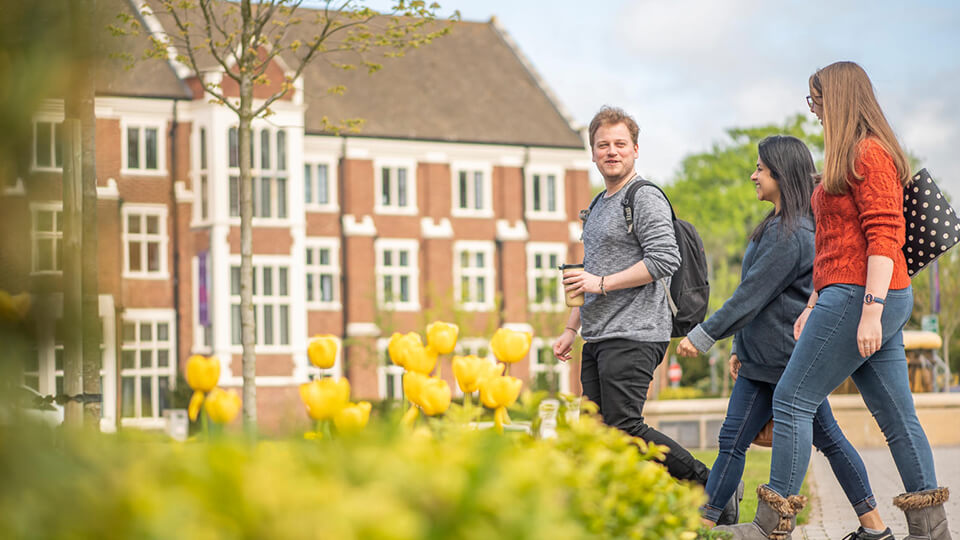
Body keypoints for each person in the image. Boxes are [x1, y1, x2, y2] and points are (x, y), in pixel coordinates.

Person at [716, 61, 952, 540]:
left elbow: (885, 237)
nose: (813, 108)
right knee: (896, 417)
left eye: (816, 98)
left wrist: (869, 310)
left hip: (861, 297)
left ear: (839, 97)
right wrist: (810, 304)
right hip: (850, 294)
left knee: (792, 399)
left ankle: (771, 528)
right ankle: (932, 533)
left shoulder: (869, 154)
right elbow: (834, 245)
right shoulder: (844, 156)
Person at [677, 135, 894, 538]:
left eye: (760, 168)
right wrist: (741, 348)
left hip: (780, 362)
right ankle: (875, 527)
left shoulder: (790, 234)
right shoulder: (782, 226)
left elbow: (750, 296)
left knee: (745, 440)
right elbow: (760, 300)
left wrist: (705, 334)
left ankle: (705, 525)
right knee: (762, 439)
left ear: (781, 173)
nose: (753, 175)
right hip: (765, 358)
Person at [553, 106, 739, 524]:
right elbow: (590, 270)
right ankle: (610, 514)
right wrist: (570, 329)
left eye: (620, 144)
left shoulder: (645, 197)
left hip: (636, 332)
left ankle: (713, 488)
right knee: (599, 432)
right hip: (599, 334)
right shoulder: (599, 204)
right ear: (593, 153)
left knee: (624, 424)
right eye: (603, 145)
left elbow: (664, 258)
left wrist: (600, 284)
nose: (612, 152)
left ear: (635, 150)